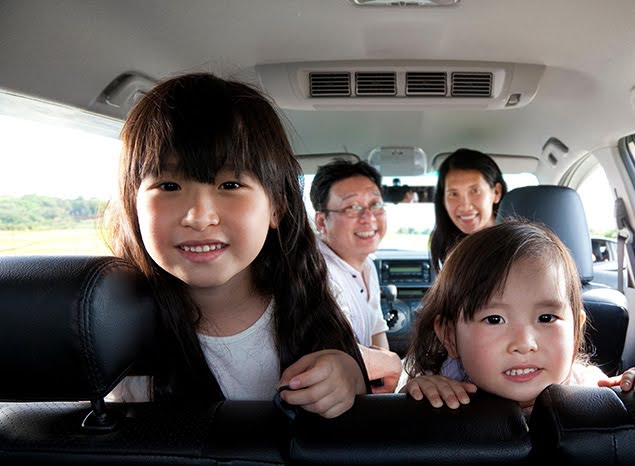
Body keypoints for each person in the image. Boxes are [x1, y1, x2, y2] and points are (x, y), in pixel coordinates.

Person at [104, 73, 368, 418]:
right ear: (132, 205)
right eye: (169, 186)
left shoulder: (310, 307)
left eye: (229, 184)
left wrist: (349, 375)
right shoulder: (113, 333)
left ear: (277, 206)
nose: (199, 217)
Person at [402, 220, 635, 410]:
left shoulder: (590, 389)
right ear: (450, 336)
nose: (525, 343)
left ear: (575, 332)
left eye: (546, 318)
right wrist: (417, 395)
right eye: (494, 319)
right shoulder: (444, 388)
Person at [310, 159, 403, 393]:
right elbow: (335, 357)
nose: (369, 217)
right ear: (322, 221)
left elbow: (376, 330)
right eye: (352, 207)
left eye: (375, 204)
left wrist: (388, 391)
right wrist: (394, 365)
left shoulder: (367, 265)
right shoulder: (317, 274)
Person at [429, 148, 508, 272]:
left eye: (475, 191)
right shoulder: (446, 246)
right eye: (453, 194)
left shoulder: (515, 248)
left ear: (496, 192)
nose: (465, 206)